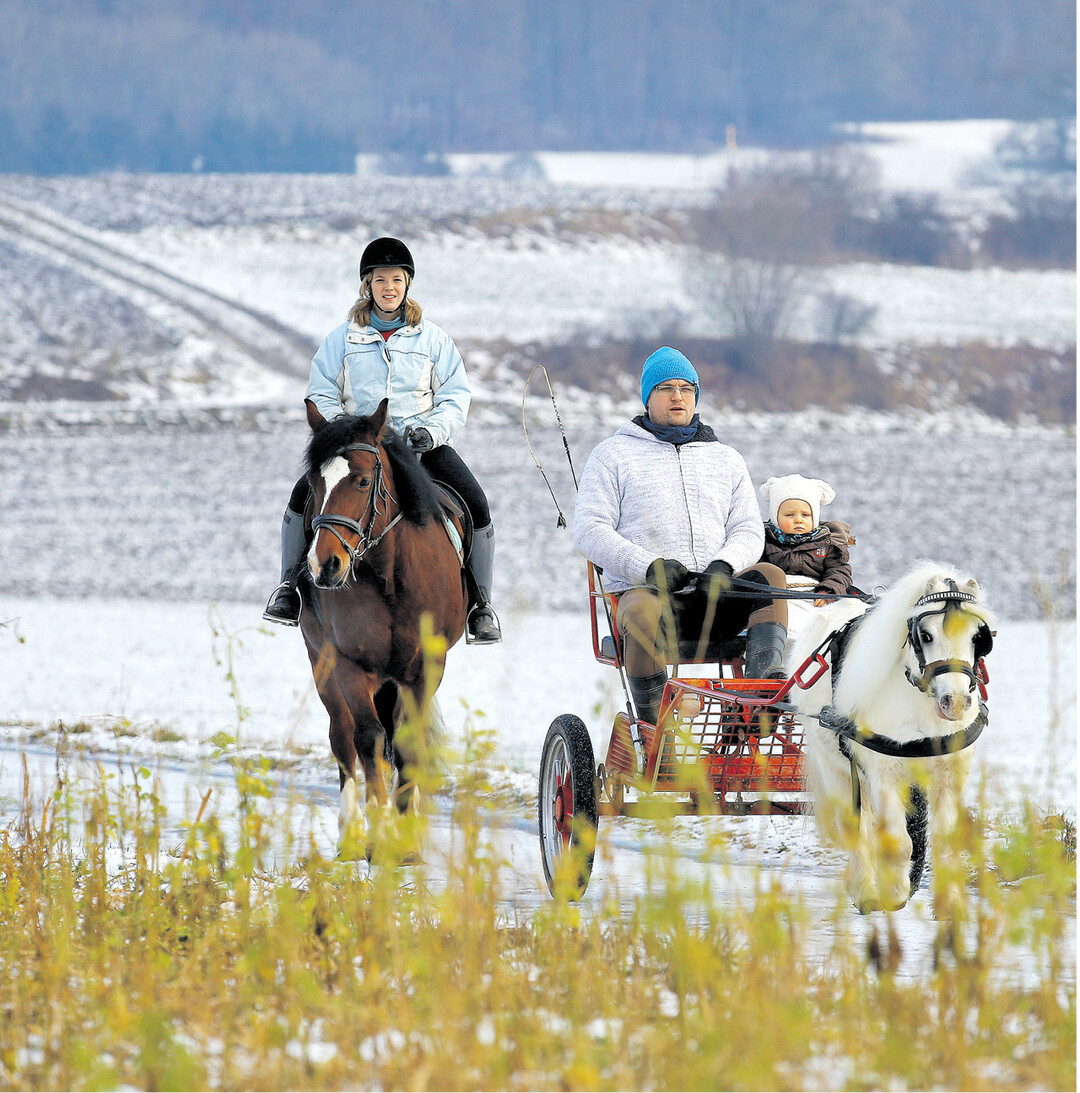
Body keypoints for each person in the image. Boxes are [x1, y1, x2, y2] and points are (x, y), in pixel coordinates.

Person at [263, 236, 501, 644]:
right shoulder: (341, 339)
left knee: (475, 502)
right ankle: (288, 588)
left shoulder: (434, 340)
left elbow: (456, 395)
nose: (388, 288)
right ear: (366, 286)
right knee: (301, 496)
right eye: (379, 280)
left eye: (396, 279)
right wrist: (346, 432)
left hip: (421, 447)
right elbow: (320, 390)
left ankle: (480, 605)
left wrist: (431, 431)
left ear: (407, 284)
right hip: (358, 448)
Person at [573, 346, 788, 725]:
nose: (678, 396)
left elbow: (748, 529)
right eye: (666, 388)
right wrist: (648, 566)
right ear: (647, 397)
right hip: (650, 604)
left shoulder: (727, 458)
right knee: (639, 609)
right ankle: (657, 728)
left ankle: (760, 699)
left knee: (769, 578)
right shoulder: (611, 456)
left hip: (715, 599)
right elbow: (590, 530)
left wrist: (725, 565)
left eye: (687, 388)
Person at [758, 474, 854, 660]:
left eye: (805, 515)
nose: (798, 520)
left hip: (814, 595)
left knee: (831, 622)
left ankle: (819, 660)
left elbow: (839, 571)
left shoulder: (827, 543)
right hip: (778, 597)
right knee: (783, 625)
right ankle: (778, 664)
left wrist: (827, 591)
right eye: (789, 515)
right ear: (775, 517)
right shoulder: (764, 541)